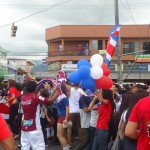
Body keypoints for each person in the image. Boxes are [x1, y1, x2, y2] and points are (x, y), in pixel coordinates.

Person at [20, 80, 59, 150]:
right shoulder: (35, 98)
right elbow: (51, 99)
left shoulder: (22, 97)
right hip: (34, 128)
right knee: (39, 147)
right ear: (35, 88)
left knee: (25, 147)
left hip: (24, 127)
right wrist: (57, 91)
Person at [55, 82, 70, 150]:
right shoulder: (59, 95)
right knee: (62, 135)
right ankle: (66, 148)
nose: (56, 86)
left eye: (58, 86)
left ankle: (66, 148)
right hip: (60, 116)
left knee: (59, 135)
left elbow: (67, 108)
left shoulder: (63, 96)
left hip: (62, 117)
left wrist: (66, 119)